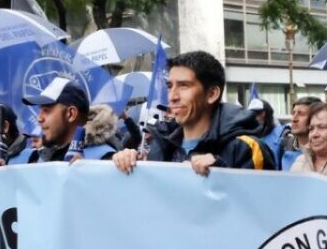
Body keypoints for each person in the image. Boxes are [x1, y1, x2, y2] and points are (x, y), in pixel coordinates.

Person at [113, 51, 270, 176]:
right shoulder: (160, 144)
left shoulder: (245, 147)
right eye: (170, 86)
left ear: (212, 94)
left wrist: (220, 174)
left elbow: (261, 208)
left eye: (184, 86)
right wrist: (130, 165)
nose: (172, 96)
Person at [20, 77, 119, 163]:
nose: (39, 118)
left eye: (46, 110)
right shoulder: (41, 158)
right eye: (40, 110)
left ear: (71, 114)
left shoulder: (106, 160)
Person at [279, 96, 322, 170]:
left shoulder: (325, 150)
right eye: (293, 113)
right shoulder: (284, 144)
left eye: (301, 114)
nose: (294, 119)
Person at [247, 96, 284, 169]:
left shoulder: (282, 133)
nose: (256, 117)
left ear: (267, 113)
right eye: (252, 113)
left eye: (259, 112)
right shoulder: (248, 135)